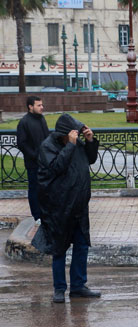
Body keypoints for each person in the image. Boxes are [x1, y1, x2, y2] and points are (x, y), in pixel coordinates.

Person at [31, 114, 101, 303]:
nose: (76, 135)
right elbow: (56, 168)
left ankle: (78, 286)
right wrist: (70, 145)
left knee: (81, 246)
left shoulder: (77, 144)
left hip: (78, 206)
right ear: (64, 133)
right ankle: (59, 288)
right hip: (58, 208)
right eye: (74, 132)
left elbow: (91, 159)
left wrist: (90, 141)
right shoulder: (48, 146)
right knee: (59, 248)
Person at [16, 96, 50, 224]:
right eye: (39, 105)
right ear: (30, 106)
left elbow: (47, 137)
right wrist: (35, 155)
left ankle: (46, 213)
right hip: (33, 163)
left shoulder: (41, 119)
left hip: (45, 161)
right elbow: (22, 143)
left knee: (46, 188)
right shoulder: (24, 122)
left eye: (42, 105)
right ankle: (37, 216)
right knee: (34, 188)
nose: (42, 107)